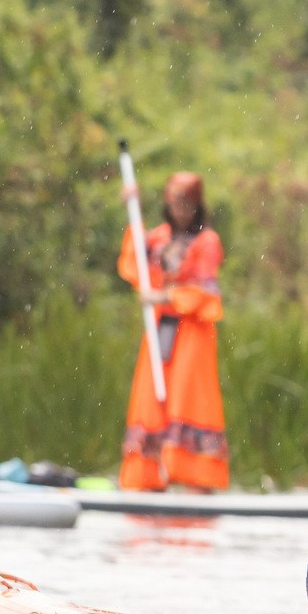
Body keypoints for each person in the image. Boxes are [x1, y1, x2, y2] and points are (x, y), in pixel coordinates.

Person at [117, 170, 226, 491]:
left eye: (186, 204)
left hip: (192, 333)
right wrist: (131, 206)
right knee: (151, 399)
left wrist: (165, 296)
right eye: (175, 203)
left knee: (188, 397)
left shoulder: (206, 241)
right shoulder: (159, 238)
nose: (180, 210)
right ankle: (148, 476)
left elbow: (206, 294)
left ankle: (196, 477)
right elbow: (135, 261)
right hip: (159, 331)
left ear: (196, 206)